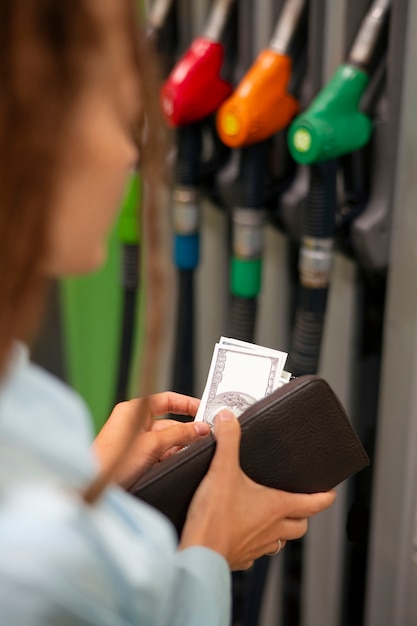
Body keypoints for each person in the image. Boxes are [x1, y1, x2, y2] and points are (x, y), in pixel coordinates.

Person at [0, 1, 336, 625]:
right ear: (32, 127)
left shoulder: (23, 390)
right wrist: (207, 549)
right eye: (114, 108)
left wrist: (92, 483)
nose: (131, 154)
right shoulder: (38, 568)